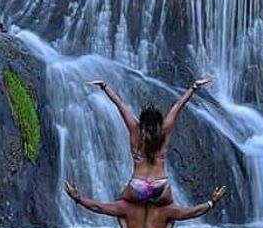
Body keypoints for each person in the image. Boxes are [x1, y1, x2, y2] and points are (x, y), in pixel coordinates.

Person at [86, 76, 212, 205]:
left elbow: (120, 105)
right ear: (159, 121)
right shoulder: (164, 130)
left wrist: (104, 87)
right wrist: (194, 87)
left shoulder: (135, 130)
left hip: (138, 185)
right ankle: (168, 226)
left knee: (120, 207)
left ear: (142, 120)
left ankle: (126, 226)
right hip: (160, 184)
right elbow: (179, 105)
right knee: (172, 211)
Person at [63, 180, 227, 228]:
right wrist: (212, 202)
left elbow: (98, 207)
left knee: (119, 213)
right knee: (172, 219)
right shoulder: (166, 210)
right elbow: (193, 212)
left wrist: (77, 198)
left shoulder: (126, 208)